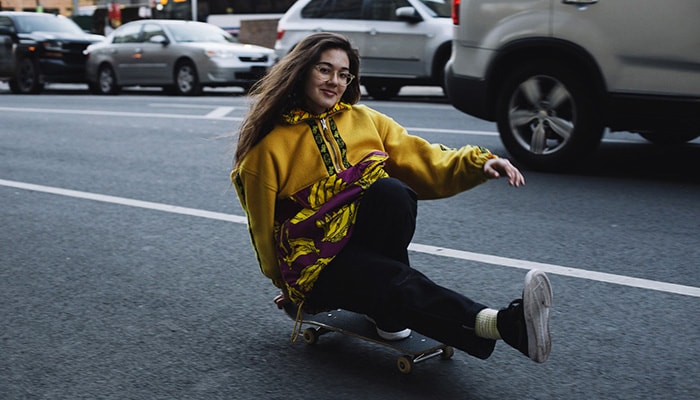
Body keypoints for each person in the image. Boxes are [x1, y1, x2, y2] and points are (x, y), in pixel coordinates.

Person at [231, 33, 553, 363]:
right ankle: (505, 326)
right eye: (324, 70)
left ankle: (387, 312)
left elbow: (424, 159)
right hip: (316, 264)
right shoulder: (266, 150)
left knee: (391, 192)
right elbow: (262, 228)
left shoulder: (365, 120)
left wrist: (481, 163)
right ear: (300, 71)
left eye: (344, 74)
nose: (335, 81)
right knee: (392, 280)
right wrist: (289, 288)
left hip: (361, 242)